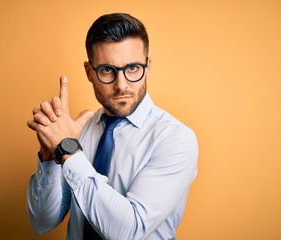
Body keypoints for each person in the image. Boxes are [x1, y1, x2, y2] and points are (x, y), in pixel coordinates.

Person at [26, 13, 198, 240]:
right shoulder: (80, 131)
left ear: (147, 67)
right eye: (107, 70)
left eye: (133, 68)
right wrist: (50, 154)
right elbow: (41, 222)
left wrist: (67, 150)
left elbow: (128, 231)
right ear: (89, 72)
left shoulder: (175, 138)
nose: (122, 85)